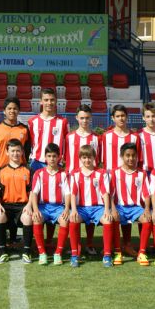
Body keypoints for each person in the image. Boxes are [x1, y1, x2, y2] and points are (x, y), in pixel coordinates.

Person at [100, 104, 142, 256]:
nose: (121, 118)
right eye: (117, 116)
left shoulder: (134, 137)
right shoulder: (106, 136)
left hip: (130, 179)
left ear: (127, 117)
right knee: (114, 211)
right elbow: (101, 160)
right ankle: (114, 246)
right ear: (113, 118)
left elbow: (138, 159)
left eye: (123, 115)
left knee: (128, 208)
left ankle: (127, 244)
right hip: (111, 179)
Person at [68, 145, 114, 268]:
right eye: (84, 157)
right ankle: (74, 255)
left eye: (90, 157)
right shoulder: (75, 173)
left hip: (98, 208)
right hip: (82, 208)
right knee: (73, 219)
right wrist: (73, 210)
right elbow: (73, 193)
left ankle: (107, 255)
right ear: (80, 158)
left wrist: (106, 210)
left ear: (94, 158)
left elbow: (105, 193)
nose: (87, 160)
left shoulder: (101, 173)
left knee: (108, 220)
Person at [64, 103, 101, 255]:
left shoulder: (96, 138)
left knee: (89, 206)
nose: (84, 121)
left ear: (90, 118)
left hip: (91, 179)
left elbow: (99, 160)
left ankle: (90, 242)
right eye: (81, 118)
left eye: (87, 118)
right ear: (76, 118)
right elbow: (64, 157)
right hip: (73, 179)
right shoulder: (69, 137)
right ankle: (76, 244)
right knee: (75, 211)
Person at [108, 142, 153, 267]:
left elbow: (146, 194)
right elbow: (109, 193)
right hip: (119, 207)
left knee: (147, 219)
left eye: (133, 155)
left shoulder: (142, 173)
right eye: (127, 155)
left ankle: (142, 253)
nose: (131, 158)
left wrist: (147, 209)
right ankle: (118, 252)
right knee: (114, 217)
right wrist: (112, 208)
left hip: (136, 208)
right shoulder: (114, 172)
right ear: (122, 156)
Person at [30, 143, 71, 266]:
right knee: (36, 218)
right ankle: (42, 253)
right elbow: (34, 193)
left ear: (59, 157)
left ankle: (57, 253)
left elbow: (68, 193)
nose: (52, 159)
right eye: (49, 156)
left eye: (54, 156)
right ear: (45, 157)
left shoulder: (64, 174)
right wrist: (36, 209)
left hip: (59, 207)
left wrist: (67, 209)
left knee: (64, 220)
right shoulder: (39, 173)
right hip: (43, 207)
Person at [0, 138, 33, 264]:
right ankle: (2, 252)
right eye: (12, 151)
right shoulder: (1, 171)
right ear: (7, 152)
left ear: (22, 152)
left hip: (22, 206)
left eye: (18, 151)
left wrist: (29, 205)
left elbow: (32, 192)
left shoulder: (28, 170)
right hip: (6, 205)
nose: (15, 154)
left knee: (28, 218)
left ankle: (27, 252)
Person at [27, 88, 69, 176]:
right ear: (41, 102)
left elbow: (67, 143)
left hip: (56, 164)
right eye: (46, 100)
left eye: (52, 100)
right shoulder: (32, 121)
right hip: (36, 163)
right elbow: (30, 143)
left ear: (56, 101)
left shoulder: (63, 122)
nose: (49, 103)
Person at [0, 96, 31, 174]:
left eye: (15, 108)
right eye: (9, 108)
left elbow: (27, 150)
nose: (12, 111)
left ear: (19, 111)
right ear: (4, 111)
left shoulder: (24, 129)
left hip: (19, 169)